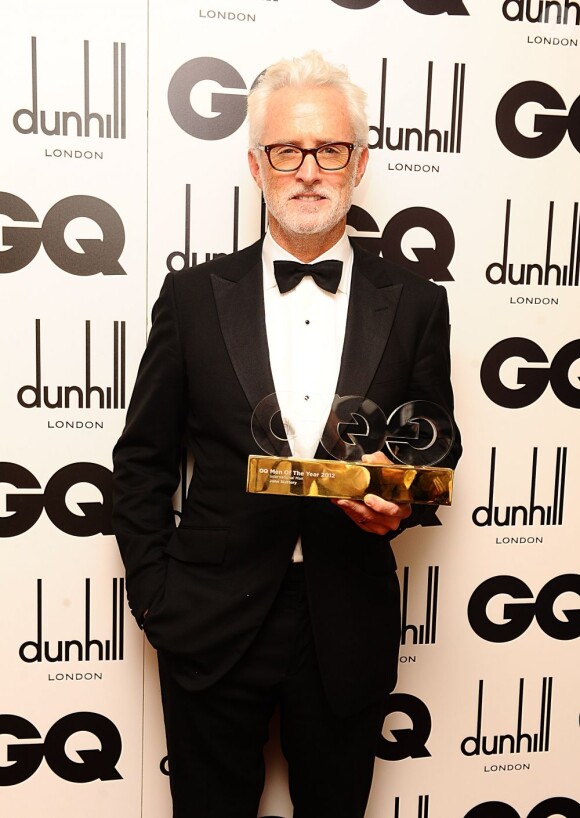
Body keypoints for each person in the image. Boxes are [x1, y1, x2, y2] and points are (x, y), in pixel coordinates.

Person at [112, 51, 461, 818]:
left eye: (329, 149)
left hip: (346, 619)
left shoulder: (416, 304)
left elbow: (437, 439)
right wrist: (158, 600)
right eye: (286, 150)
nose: (308, 170)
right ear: (256, 163)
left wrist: (398, 490)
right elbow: (140, 463)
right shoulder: (193, 297)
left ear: (359, 162)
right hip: (207, 617)